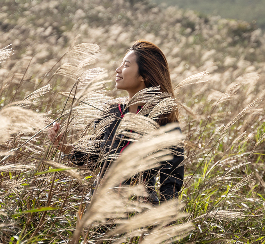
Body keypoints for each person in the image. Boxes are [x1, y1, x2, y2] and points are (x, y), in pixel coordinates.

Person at [48, 41, 185, 204]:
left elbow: (171, 183)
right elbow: (96, 157)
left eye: (126, 65)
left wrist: (162, 221)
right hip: (98, 206)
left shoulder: (164, 122)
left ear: (144, 76)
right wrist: (63, 146)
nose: (118, 69)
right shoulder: (112, 111)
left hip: (137, 212)